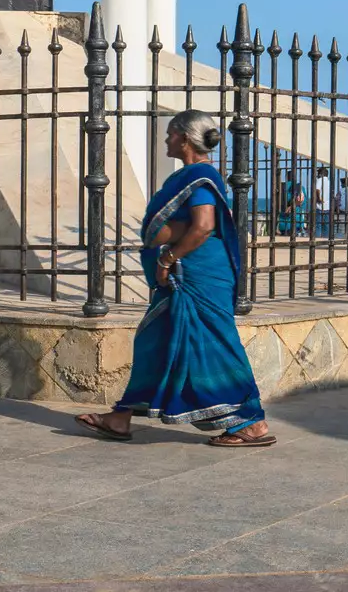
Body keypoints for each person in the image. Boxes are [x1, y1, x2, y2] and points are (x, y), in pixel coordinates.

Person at [75, 111, 274, 447]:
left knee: (216, 343)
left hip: (197, 276)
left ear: (184, 138)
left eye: (169, 134)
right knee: (154, 340)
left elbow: (204, 225)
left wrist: (168, 257)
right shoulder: (192, 175)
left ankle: (250, 423)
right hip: (185, 277)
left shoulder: (200, 176)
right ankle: (121, 417)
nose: (166, 140)